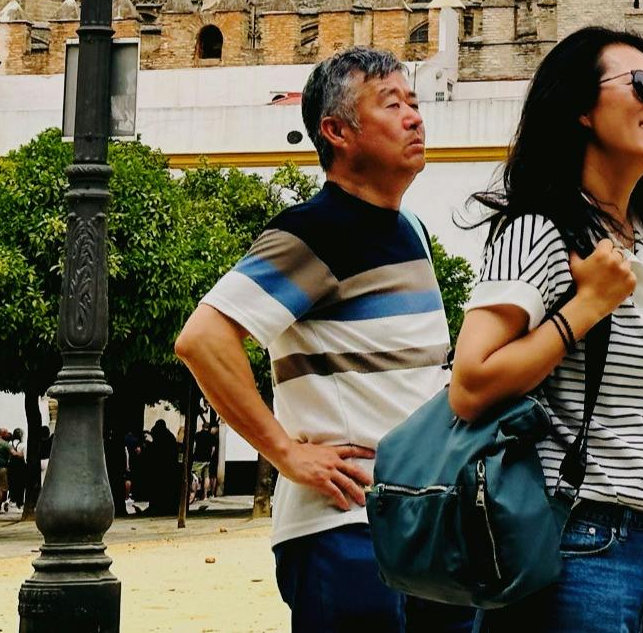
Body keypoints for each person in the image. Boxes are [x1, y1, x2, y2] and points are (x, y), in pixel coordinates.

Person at [176, 46, 468, 632]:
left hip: (425, 523)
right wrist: (286, 453)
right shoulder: (316, 230)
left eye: (414, 101)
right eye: (392, 104)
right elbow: (203, 338)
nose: (415, 116)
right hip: (348, 530)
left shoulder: (406, 229)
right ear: (336, 131)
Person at [453, 26, 643, 630]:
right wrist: (586, 305)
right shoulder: (539, 230)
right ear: (580, 109)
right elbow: (471, 384)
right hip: (574, 539)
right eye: (641, 86)